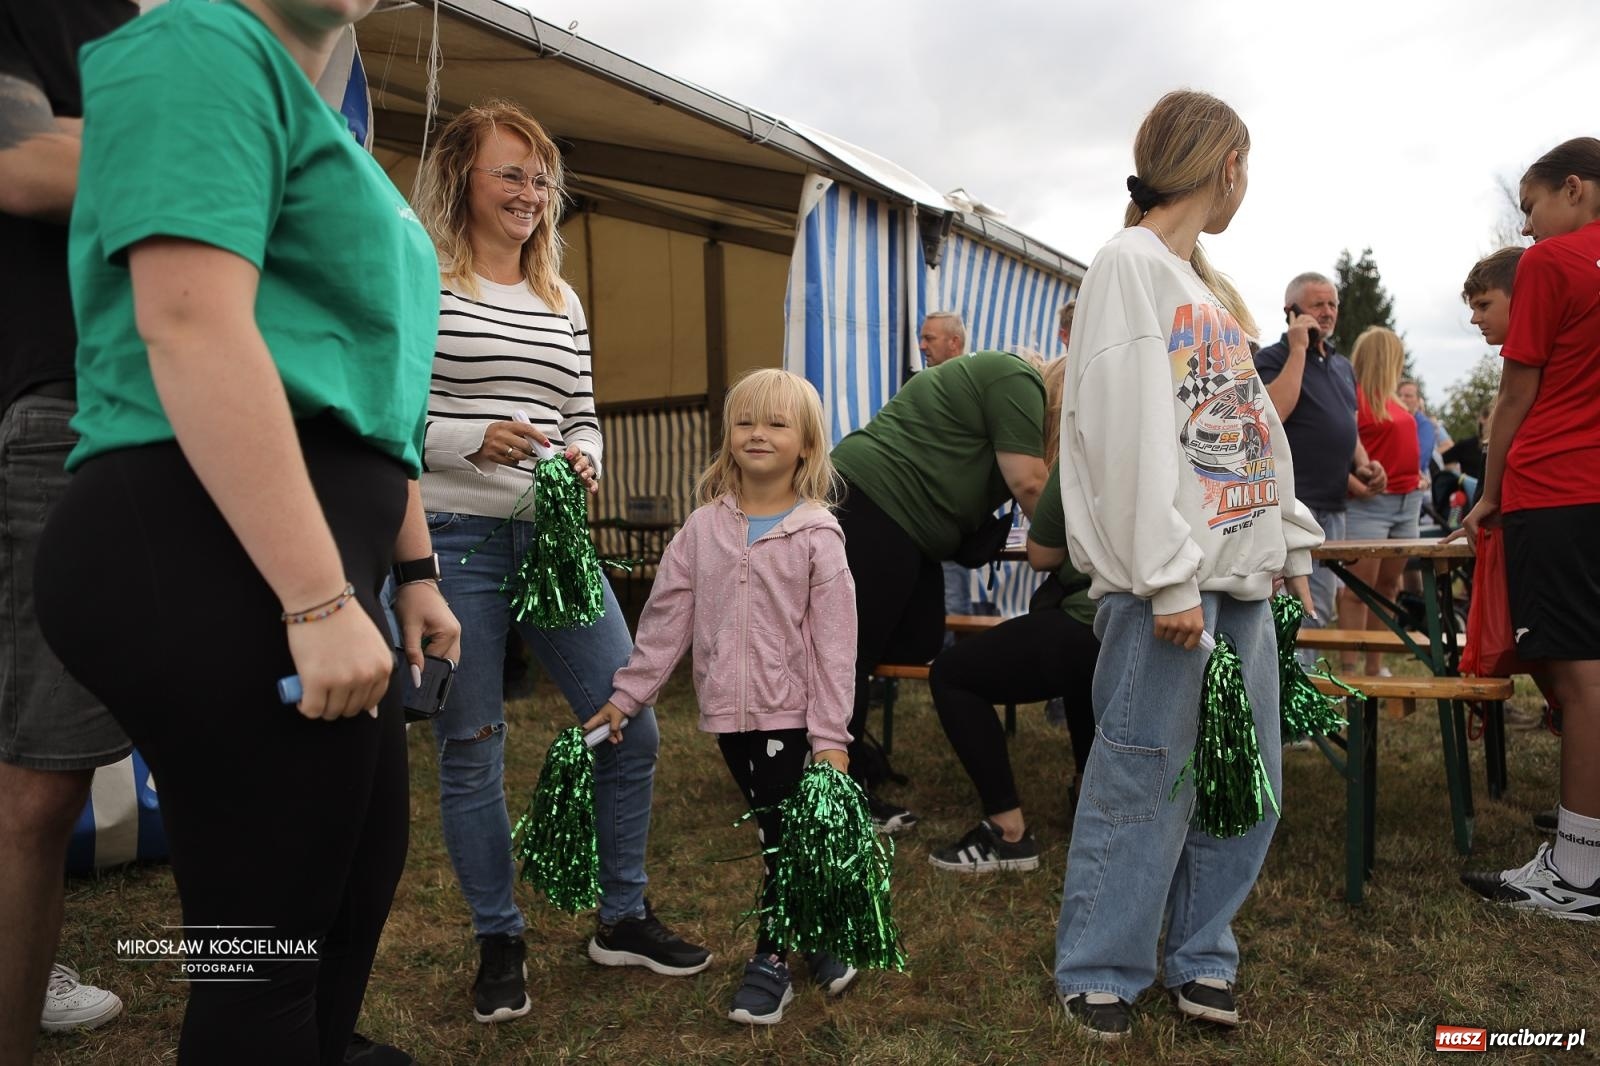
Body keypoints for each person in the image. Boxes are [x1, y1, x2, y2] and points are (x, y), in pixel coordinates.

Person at [31, 0, 464, 1061]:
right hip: (199, 538)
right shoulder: (199, 42)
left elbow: (367, 392)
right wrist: (315, 596)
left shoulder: (331, 134)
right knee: (261, 952)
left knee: (350, 885)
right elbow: (190, 322)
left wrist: (411, 569)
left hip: (308, 549)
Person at [412, 100, 709, 1024]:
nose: (530, 193)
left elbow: (584, 412)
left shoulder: (560, 297)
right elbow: (386, 421)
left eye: (541, 179)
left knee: (632, 724)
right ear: (463, 175)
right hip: (451, 536)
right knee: (472, 749)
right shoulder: (421, 278)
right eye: (511, 173)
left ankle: (621, 918)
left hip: (555, 540)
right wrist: (474, 439)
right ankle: (499, 938)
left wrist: (589, 457)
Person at [1053, 90, 1323, 1040]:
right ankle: (1102, 966)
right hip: (1175, 590)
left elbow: (1243, 433)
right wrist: (1169, 577)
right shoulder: (1129, 265)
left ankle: (1201, 953)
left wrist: (1285, 539)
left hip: (1236, 587)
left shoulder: (1197, 284)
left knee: (1241, 781)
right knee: (1144, 777)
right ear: (1228, 167)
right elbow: (1125, 430)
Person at [587, 369, 859, 1026]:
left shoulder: (817, 536)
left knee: (782, 840)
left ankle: (772, 962)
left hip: (792, 719)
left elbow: (836, 645)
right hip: (729, 721)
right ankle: (817, 934)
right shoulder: (702, 531)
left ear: (806, 445)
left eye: (776, 423)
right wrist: (628, 697)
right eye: (746, 421)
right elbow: (665, 621)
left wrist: (829, 736)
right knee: (783, 836)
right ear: (727, 435)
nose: (758, 434)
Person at [0, 0, 135, 1050]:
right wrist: (191, 139)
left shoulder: (176, 25)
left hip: (139, 416)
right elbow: (25, 170)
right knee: (38, 785)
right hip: (53, 412)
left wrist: (94, 137)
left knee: (49, 782)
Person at [1456, 137, 1600, 920]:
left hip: (1556, 485)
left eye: (1531, 207)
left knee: (1576, 680)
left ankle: (1579, 873)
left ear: (1573, 190)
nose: (1528, 229)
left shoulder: (1553, 264)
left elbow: (1515, 393)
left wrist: (1489, 489)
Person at [831, 349, 1050, 832]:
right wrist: (1078, 552)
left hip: (910, 527)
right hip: (874, 499)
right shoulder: (1018, 377)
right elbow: (1031, 483)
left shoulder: (990, 386)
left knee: (920, 641)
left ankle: (827, 748)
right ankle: (839, 800)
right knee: (851, 658)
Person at [926, 357, 1099, 873]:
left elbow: (1042, 554)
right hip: (1140, 621)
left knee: (953, 674)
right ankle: (1093, 799)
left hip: (1091, 618)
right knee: (1079, 674)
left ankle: (1008, 834)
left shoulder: (1077, 454)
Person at [1256, 273, 1386, 630]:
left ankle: (1309, 682)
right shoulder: (1273, 357)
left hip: (1334, 505)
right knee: (1293, 607)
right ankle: (1292, 682)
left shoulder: (1342, 365)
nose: (1328, 312)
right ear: (1292, 310)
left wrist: (1364, 464)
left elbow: (1348, 424)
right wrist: (1299, 348)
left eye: (1333, 304)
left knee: (1321, 605)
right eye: (1318, 305)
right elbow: (1274, 413)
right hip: (1296, 501)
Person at [1338, 327, 1424, 675]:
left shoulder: (1394, 400)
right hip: (1371, 504)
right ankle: (1347, 668)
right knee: (1359, 589)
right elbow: (1341, 446)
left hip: (1408, 501)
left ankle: (1375, 665)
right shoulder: (1355, 398)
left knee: (1388, 586)